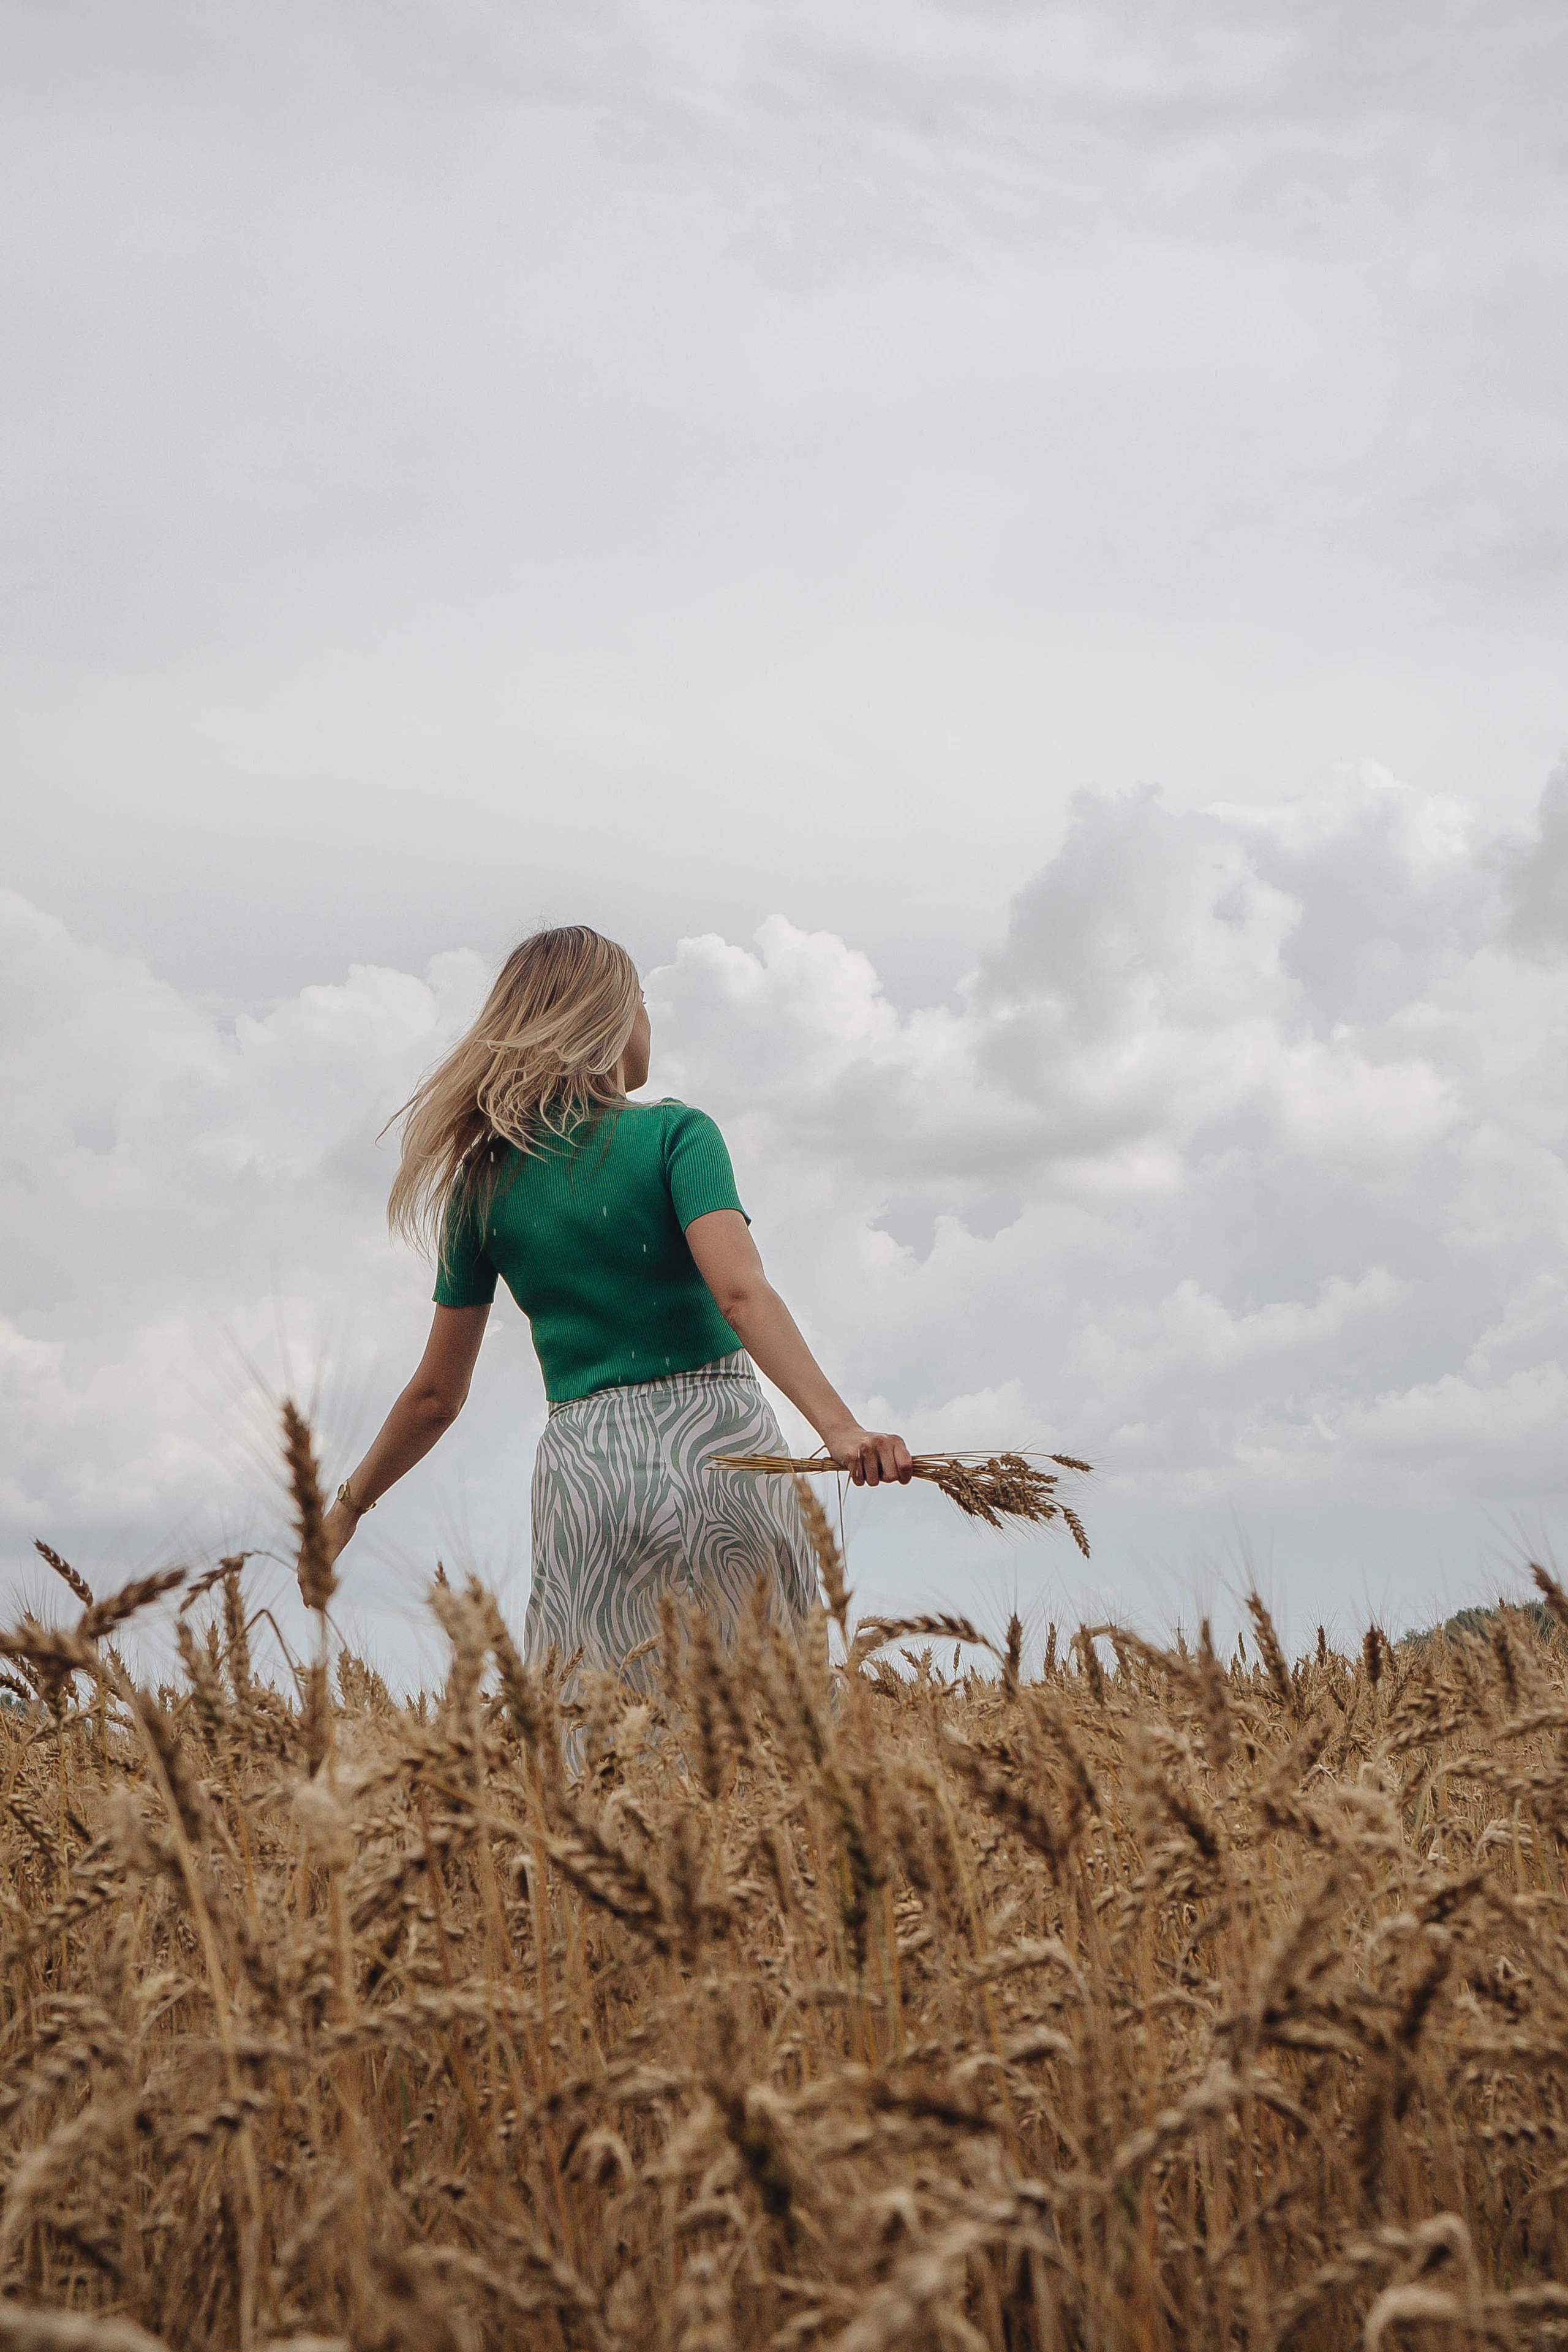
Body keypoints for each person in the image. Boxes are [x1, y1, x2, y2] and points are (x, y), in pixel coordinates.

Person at [318, 924, 912, 1680]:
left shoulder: (481, 1184)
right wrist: (839, 1427)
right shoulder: (676, 1135)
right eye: (643, 999)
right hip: (724, 1457)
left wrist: (347, 1509)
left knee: (602, 1745)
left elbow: (435, 1396)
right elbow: (739, 1291)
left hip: (587, 1478)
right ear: (612, 1015)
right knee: (775, 1728)